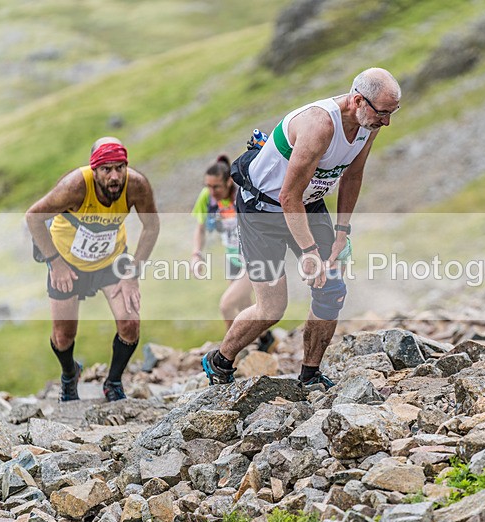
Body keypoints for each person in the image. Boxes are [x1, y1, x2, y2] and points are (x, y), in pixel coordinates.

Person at [202, 67, 401, 389]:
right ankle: (220, 361)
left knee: (331, 290)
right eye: (383, 113)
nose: (387, 121)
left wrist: (342, 232)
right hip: (263, 211)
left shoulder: (368, 123)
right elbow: (288, 196)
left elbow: (353, 175)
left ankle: (310, 376)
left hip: (308, 205)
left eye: (393, 113)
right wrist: (309, 252)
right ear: (357, 100)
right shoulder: (319, 125)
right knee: (272, 308)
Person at [26, 137, 160, 401]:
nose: (115, 176)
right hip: (68, 263)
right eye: (106, 169)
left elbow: (152, 226)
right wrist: (55, 262)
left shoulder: (136, 185)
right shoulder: (74, 186)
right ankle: (69, 374)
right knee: (63, 336)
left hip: (111, 261)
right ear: (94, 170)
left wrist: (132, 273)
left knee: (130, 324)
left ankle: (113, 382)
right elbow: (33, 216)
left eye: (120, 168)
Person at [190, 155, 277, 353]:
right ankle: (266, 338)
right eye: (208, 186)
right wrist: (196, 254)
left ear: (229, 182)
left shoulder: (243, 193)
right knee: (243, 302)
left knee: (227, 305)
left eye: (216, 187)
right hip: (233, 258)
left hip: (254, 257)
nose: (212, 192)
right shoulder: (207, 197)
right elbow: (200, 228)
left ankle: (228, 354)